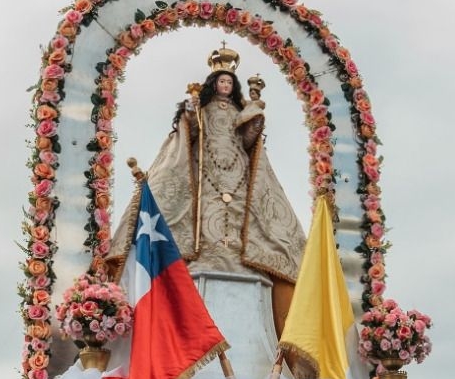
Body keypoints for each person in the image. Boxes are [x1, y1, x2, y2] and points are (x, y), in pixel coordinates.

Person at [107, 47, 307, 337]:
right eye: (221, 82)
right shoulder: (201, 109)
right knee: (206, 215)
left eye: (229, 83)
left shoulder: (240, 110)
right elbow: (189, 134)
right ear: (214, 84)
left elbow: (249, 141)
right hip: (207, 172)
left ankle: (240, 259)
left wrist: (255, 119)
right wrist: (190, 112)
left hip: (237, 173)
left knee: (239, 217)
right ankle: (204, 258)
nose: (225, 87)